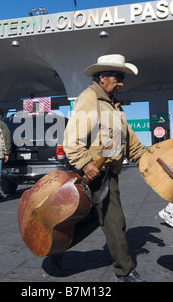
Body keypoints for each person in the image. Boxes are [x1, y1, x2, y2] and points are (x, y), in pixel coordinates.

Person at [63, 54, 147, 282]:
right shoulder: (90, 98)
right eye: (118, 77)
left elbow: (127, 140)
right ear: (102, 77)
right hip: (97, 174)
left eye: (122, 78)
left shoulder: (113, 105)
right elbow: (72, 139)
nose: (122, 83)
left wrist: (146, 159)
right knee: (114, 220)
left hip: (110, 171)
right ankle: (125, 270)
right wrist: (85, 163)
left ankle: (56, 248)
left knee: (89, 219)